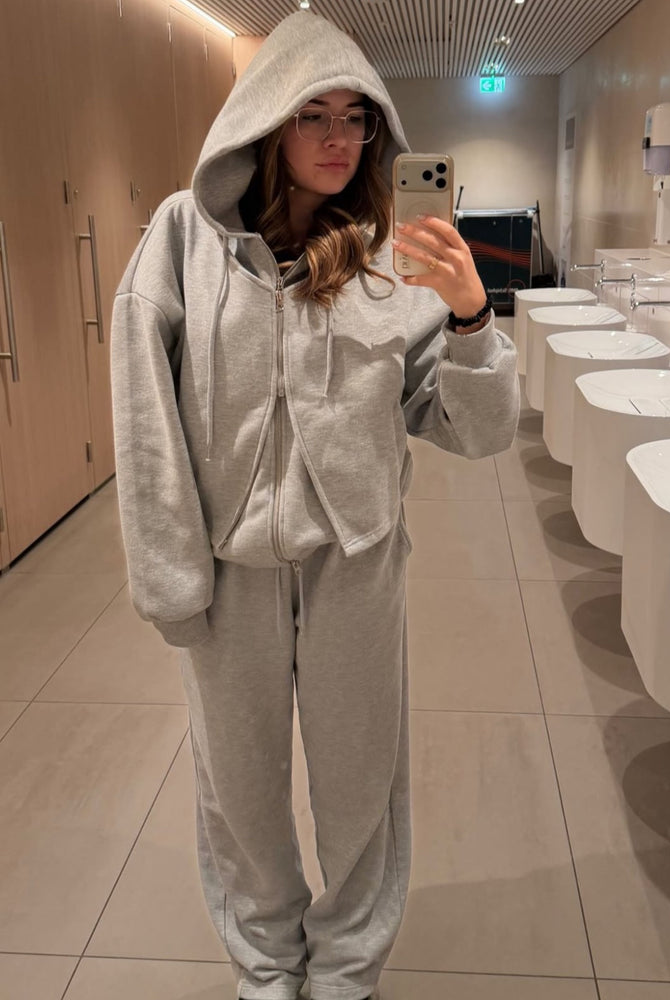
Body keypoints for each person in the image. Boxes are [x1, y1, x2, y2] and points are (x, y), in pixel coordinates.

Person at [110, 10, 519, 1000]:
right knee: (239, 792)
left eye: (356, 118)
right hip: (230, 575)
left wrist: (471, 314)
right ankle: (265, 968)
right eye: (314, 115)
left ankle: (344, 972)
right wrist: (168, 574)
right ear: (268, 123)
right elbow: (144, 408)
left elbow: (475, 428)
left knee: (362, 788)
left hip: (356, 571)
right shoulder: (183, 236)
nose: (340, 140)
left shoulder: (388, 257)